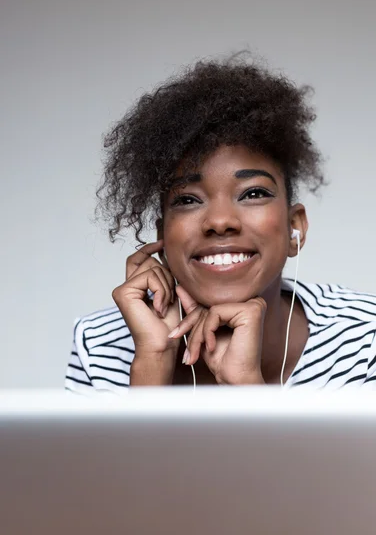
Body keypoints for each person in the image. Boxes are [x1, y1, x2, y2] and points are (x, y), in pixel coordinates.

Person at [65, 52, 376, 394]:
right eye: (187, 199)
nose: (220, 221)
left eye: (253, 193)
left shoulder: (363, 339)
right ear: (162, 239)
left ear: (295, 228)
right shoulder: (99, 347)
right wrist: (153, 361)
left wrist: (247, 389)